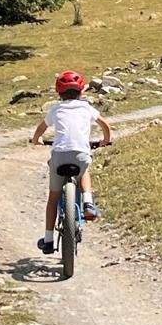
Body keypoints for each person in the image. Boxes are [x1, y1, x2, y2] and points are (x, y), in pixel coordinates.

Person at [29, 69, 112, 255]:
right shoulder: (86, 108)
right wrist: (105, 140)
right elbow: (105, 125)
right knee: (85, 169)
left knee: (53, 199)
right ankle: (88, 203)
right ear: (81, 91)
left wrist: (36, 140)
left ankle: (48, 239)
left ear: (59, 93)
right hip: (80, 153)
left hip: (59, 155)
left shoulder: (55, 109)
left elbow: (41, 129)